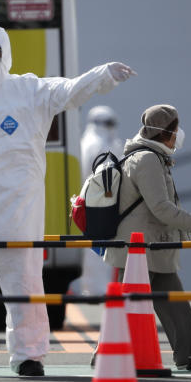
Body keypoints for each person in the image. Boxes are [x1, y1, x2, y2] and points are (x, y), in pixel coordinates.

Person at [0, 24, 136, 377]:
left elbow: (69, 90)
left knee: (25, 283)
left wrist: (102, 76)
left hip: (16, 210)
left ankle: (28, 355)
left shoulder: (28, 90)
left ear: (5, 53)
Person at [103, 103, 191, 369]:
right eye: (176, 129)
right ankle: (104, 355)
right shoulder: (147, 160)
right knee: (126, 306)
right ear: (165, 132)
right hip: (141, 249)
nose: (179, 135)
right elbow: (161, 207)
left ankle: (190, 352)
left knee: (173, 302)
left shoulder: (152, 157)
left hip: (152, 247)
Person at [76, 105, 125, 294]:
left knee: (98, 249)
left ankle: (95, 288)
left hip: (97, 204)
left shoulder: (97, 142)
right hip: (99, 204)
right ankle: (95, 290)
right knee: (96, 250)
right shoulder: (96, 145)